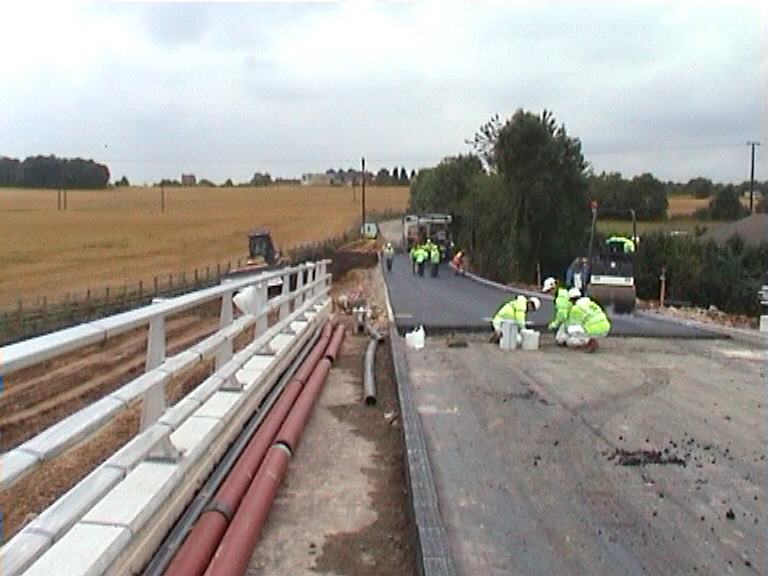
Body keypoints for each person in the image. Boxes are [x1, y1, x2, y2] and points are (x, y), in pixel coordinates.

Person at [542, 276, 571, 345]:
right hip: (570, 318)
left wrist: (554, 325)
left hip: (571, 319)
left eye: (549, 291)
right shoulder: (563, 292)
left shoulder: (560, 299)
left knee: (560, 339)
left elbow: (562, 316)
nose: (549, 293)